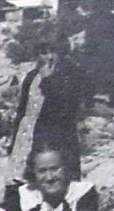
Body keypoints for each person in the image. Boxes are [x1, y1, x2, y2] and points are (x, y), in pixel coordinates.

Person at [9, 42, 88, 181]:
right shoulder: (31, 76)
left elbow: (68, 107)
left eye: (53, 52)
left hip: (55, 132)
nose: (49, 57)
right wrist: (14, 139)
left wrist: (48, 80)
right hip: (27, 131)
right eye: (44, 53)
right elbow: (22, 108)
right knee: (22, 178)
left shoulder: (67, 76)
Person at [79, 0, 114, 105]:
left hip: (106, 51)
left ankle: (109, 98)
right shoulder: (94, 19)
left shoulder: (112, 19)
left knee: (104, 75)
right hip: (104, 50)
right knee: (99, 75)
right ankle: (94, 98)